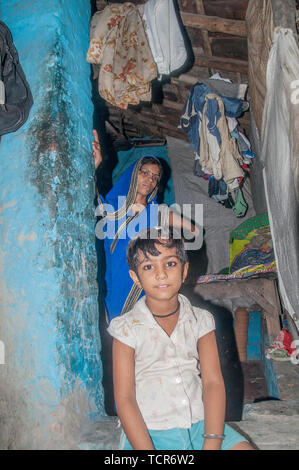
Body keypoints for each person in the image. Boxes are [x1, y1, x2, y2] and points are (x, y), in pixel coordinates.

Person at [107, 229, 255, 450]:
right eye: (149, 266)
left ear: (185, 270)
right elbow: (125, 399)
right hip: (150, 432)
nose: (161, 274)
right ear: (135, 277)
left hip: (199, 425)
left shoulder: (200, 320)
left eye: (170, 264)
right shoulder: (126, 329)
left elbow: (213, 383)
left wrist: (212, 441)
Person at [92, 129, 199, 323]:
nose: (149, 179)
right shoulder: (112, 205)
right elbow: (91, 199)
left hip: (143, 285)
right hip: (111, 280)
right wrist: (96, 167)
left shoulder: (156, 212)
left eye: (155, 177)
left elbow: (194, 230)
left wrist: (165, 239)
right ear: (134, 173)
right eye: (145, 173)